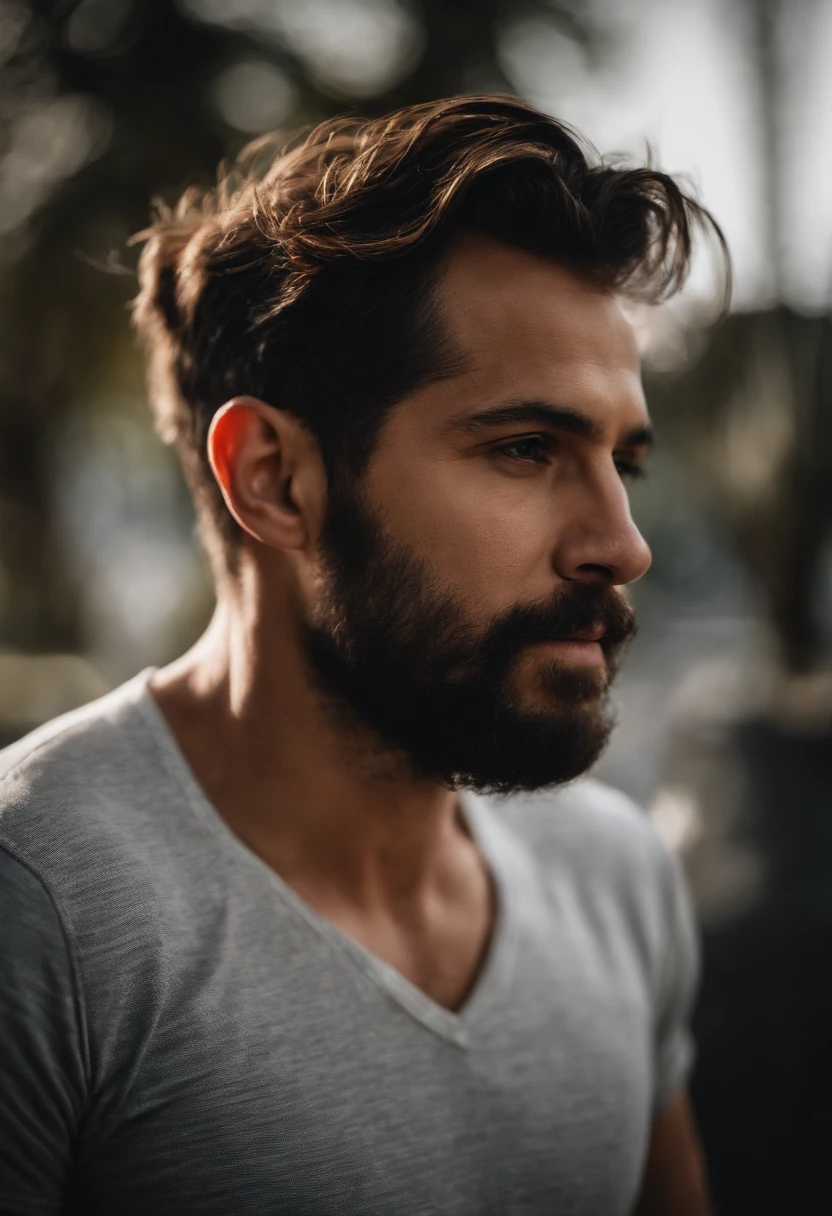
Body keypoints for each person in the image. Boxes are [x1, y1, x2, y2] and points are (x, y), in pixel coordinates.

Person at [0, 96, 726, 1215]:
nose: (621, 544)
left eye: (621, 459)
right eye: (525, 448)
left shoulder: (618, 876)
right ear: (275, 481)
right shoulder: (42, 910)